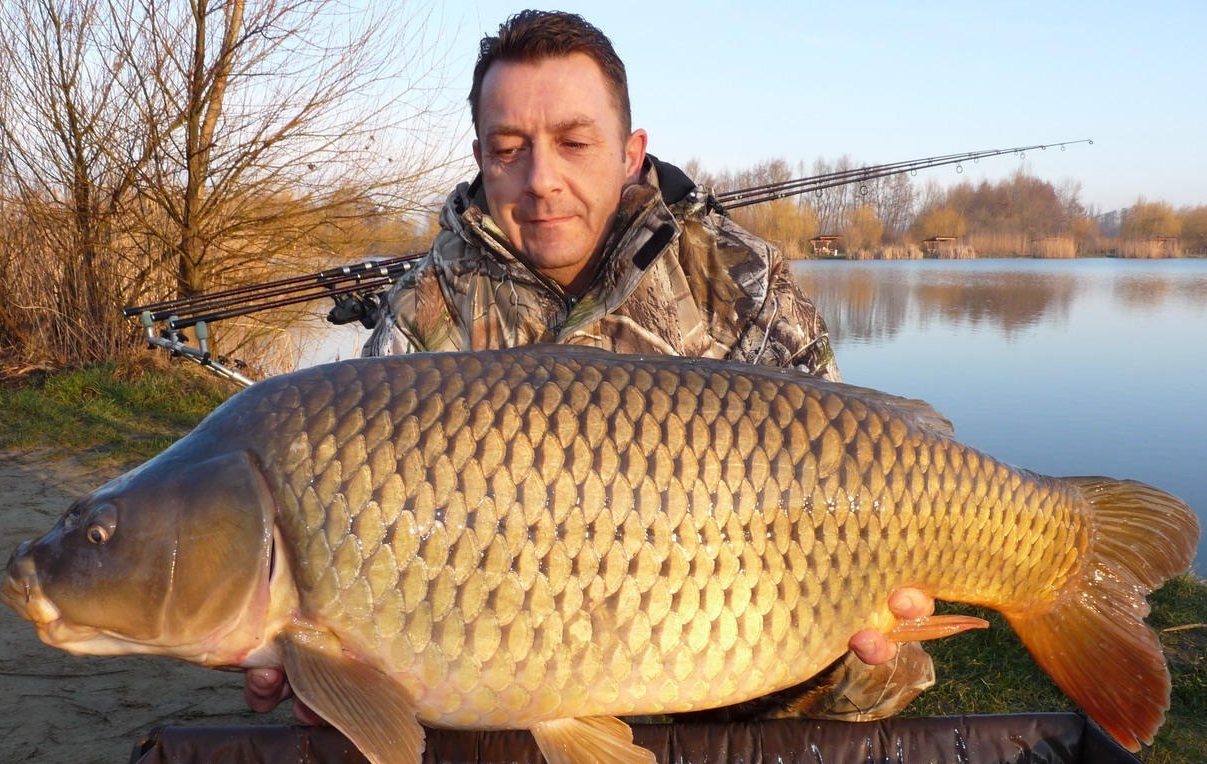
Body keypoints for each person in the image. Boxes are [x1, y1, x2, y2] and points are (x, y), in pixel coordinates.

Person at [247, 10, 969, 726]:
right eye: (509, 149)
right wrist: (327, 669)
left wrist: (845, 657)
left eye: (573, 142)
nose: (541, 180)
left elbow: (847, 477)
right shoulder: (428, 313)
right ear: (480, 158)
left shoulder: (738, 282)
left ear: (629, 152)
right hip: (506, 731)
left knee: (870, 654)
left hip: (723, 700)